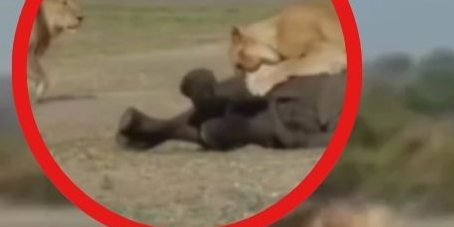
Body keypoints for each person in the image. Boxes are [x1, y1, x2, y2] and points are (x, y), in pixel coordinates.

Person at [116, 67, 344, 151]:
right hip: (285, 88)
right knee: (237, 91)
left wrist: (298, 140)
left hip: (289, 122)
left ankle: (157, 129)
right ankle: (161, 127)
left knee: (250, 124)